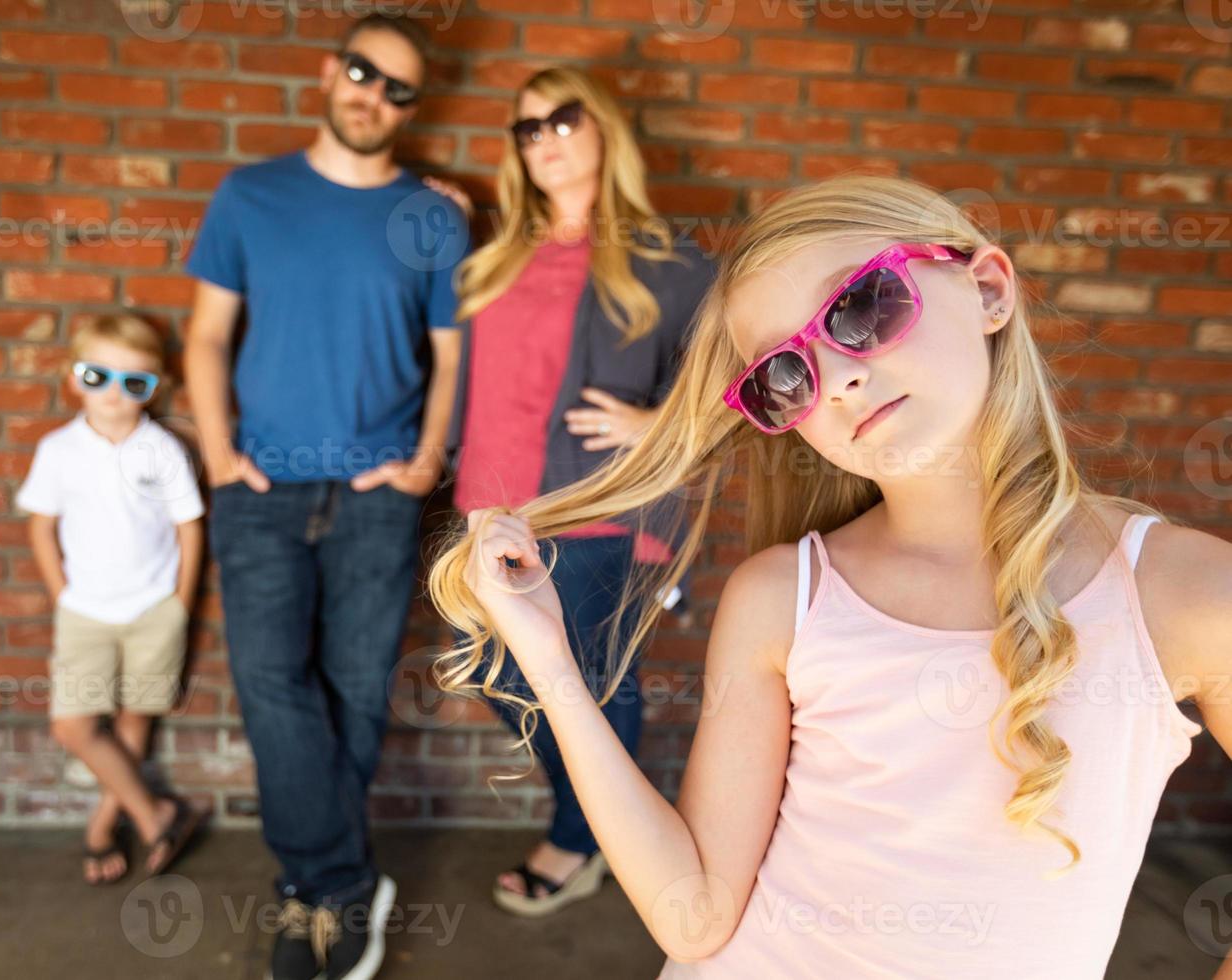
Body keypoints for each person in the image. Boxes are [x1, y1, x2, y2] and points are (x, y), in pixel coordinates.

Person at [428, 174, 1231, 977]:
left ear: (987, 288)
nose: (839, 378)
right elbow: (696, 917)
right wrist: (549, 655)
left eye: (863, 308)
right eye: (787, 374)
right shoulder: (785, 597)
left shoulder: (1179, 590)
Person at [181, 12, 468, 980]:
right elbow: (208, 334)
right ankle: (342, 883)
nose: (374, 97)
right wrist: (218, 450)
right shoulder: (250, 194)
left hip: (378, 488)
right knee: (269, 679)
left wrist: (430, 459)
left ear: (411, 107)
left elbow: (450, 351)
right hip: (260, 488)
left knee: (353, 689)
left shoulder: (432, 215)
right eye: (362, 73)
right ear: (327, 73)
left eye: (398, 88)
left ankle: (315, 887)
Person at [447, 66, 713, 916]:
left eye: (564, 119)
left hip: (592, 508)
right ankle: (598, 821)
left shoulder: (670, 264)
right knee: (494, 671)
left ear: (604, 128)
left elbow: (734, 386)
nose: (546, 139)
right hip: (488, 504)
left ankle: (581, 839)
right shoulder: (498, 257)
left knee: (587, 684)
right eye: (527, 128)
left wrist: (655, 426)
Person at [18, 313, 206, 886]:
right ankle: (154, 814)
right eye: (97, 376)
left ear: (154, 388)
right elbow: (41, 527)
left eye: (135, 382)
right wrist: (62, 593)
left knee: (134, 721)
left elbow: (189, 529)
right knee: (74, 725)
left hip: (153, 609)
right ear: (74, 379)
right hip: (85, 611)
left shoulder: (162, 449)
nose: (115, 394)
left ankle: (102, 825)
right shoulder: (58, 450)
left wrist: (179, 604)